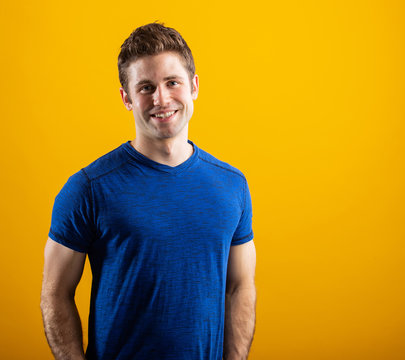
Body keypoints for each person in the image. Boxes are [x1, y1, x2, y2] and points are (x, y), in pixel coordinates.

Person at [40, 22, 256, 360]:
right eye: (145, 87)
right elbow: (55, 294)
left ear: (194, 87)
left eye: (172, 82)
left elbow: (239, 286)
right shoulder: (88, 189)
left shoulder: (231, 185)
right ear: (127, 98)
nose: (161, 98)